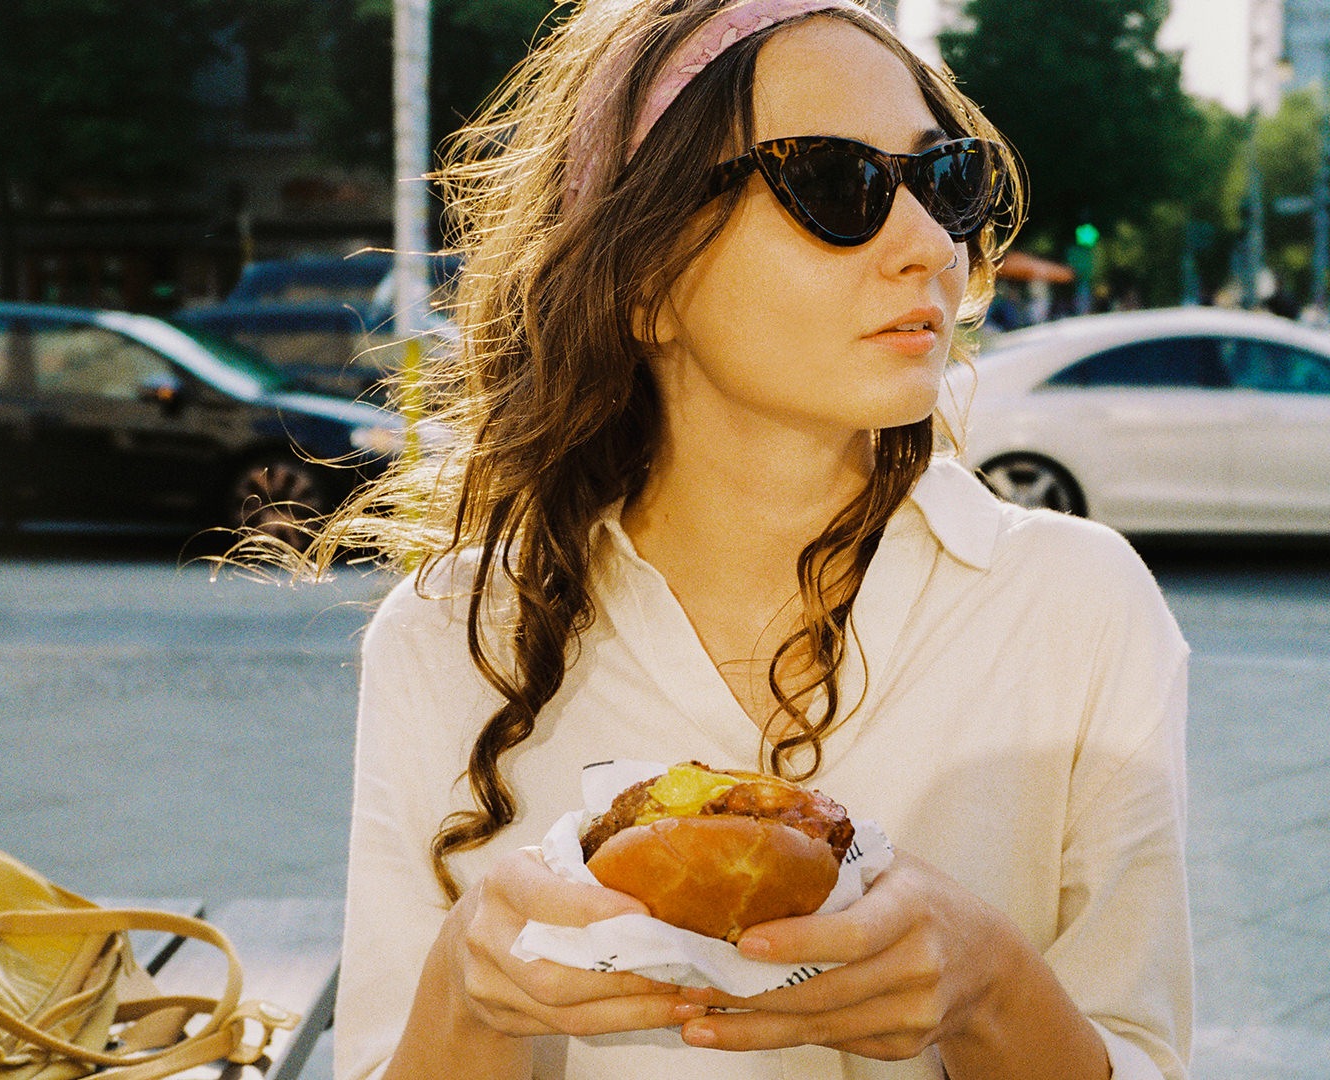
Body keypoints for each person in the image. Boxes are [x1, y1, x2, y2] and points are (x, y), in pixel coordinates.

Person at [312, 3, 1193, 1078]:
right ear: (643, 281)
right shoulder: (448, 636)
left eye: (945, 180)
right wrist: (471, 989)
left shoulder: (1079, 605)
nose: (930, 247)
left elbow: (1144, 1051)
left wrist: (990, 987)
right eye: (837, 184)